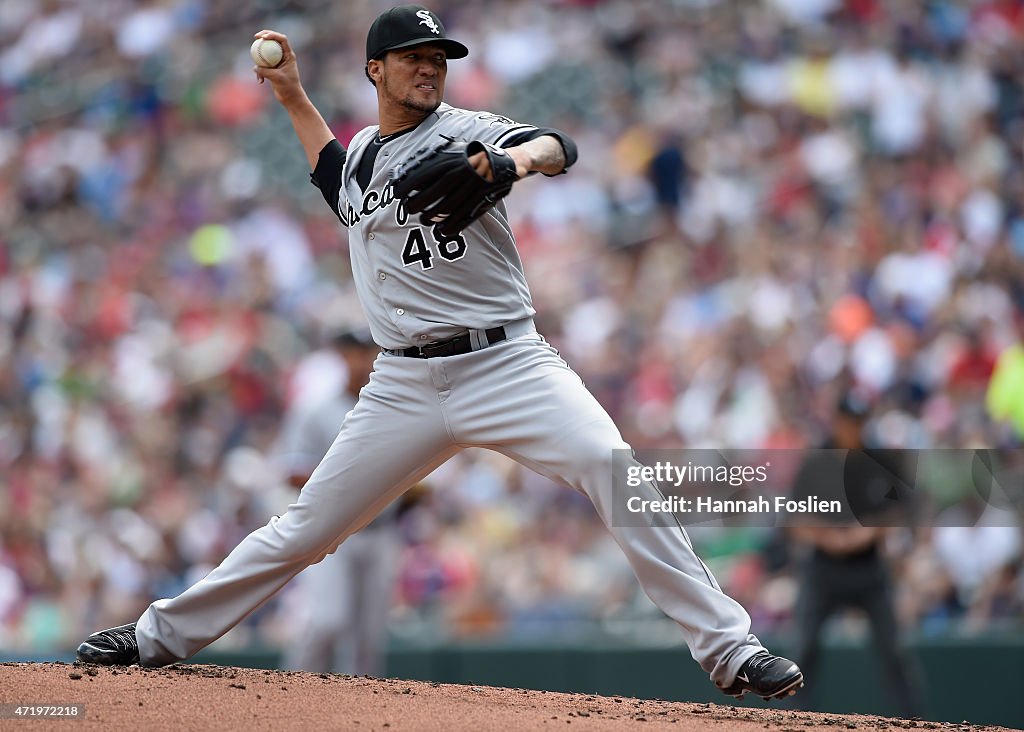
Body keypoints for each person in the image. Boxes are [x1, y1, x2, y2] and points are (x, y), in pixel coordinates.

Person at [76, 5, 803, 701]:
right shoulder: (361, 153)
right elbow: (336, 180)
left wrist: (507, 166)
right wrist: (294, 96)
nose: (429, 70)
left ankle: (730, 648)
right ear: (375, 70)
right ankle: (155, 638)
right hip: (402, 384)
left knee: (614, 471)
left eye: (438, 60)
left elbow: (558, 146)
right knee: (305, 529)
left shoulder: (467, 131)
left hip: (507, 364)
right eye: (413, 59)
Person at [274, 327, 401, 675]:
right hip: (334, 532)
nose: (362, 359)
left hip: (381, 531)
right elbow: (290, 470)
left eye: (369, 351)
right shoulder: (316, 410)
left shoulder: (392, 408)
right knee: (327, 621)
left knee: (369, 640)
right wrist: (347, 476)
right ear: (342, 357)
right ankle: (290, 692)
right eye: (354, 352)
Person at [788, 393, 924, 716]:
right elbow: (794, 519)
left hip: (868, 568)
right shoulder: (817, 461)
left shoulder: (879, 460)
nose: (853, 429)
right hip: (824, 567)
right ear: (837, 421)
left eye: (859, 423)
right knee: (803, 648)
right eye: (849, 422)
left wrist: (865, 532)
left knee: (893, 650)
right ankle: (790, 717)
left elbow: (899, 512)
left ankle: (912, 719)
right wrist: (829, 537)